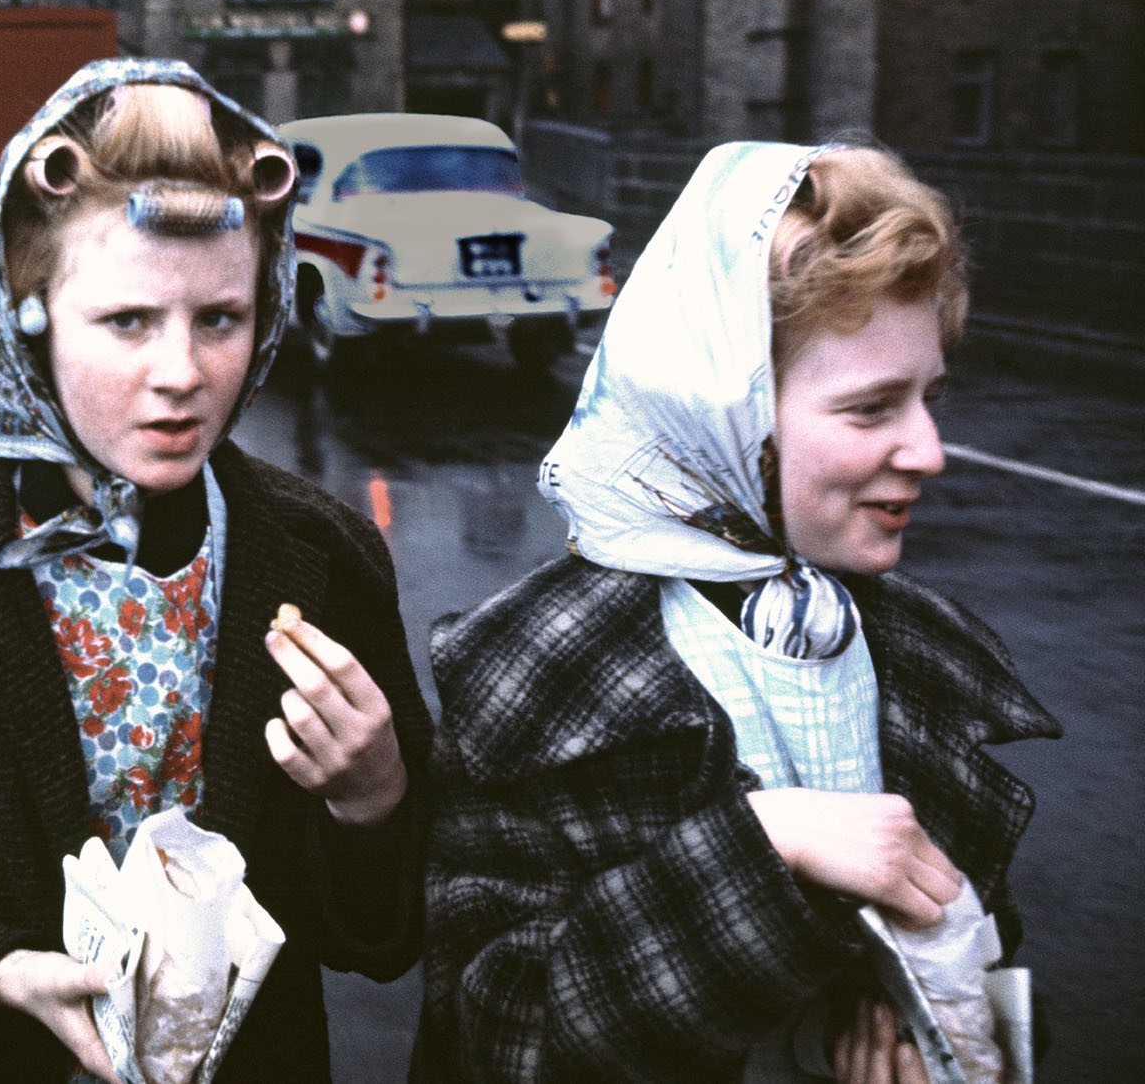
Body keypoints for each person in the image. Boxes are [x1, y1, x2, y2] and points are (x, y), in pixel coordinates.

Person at [0, 59, 431, 1084]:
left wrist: (373, 797)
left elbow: (376, 936)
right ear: (29, 310)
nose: (180, 371)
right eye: (127, 320)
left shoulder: (321, 563)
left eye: (217, 318)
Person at [417, 141, 1060, 1084]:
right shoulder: (538, 669)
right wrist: (765, 844)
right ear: (727, 410)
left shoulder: (921, 659)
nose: (928, 450)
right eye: (872, 407)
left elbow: (986, 965)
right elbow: (504, 1028)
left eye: (929, 397)